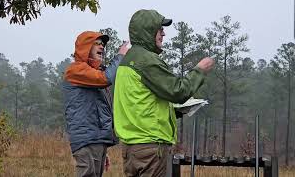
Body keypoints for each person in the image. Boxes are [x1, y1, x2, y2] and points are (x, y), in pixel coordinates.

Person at [113, 9, 215, 177]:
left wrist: (174, 111)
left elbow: (140, 103)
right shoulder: (146, 60)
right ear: (148, 31)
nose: (164, 34)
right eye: (160, 29)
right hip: (151, 148)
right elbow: (178, 91)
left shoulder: (127, 60)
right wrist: (199, 71)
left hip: (131, 148)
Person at [63, 31, 128, 177]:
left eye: (103, 44)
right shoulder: (76, 70)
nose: (102, 47)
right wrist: (120, 56)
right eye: (97, 44)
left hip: (96, 140)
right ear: (85, 48)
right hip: (86, 140)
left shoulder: (93, 73)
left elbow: (102, 109)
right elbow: (106, 78)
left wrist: (102, 148)